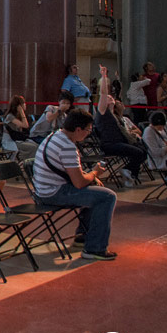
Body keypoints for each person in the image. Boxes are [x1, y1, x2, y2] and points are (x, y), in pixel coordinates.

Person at [32, 109, 118, 260]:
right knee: (107, 197)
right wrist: (95, 173)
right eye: (87, 130)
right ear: (78, 129)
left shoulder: (55, 136)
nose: (88, 134)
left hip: (42, 190)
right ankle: (94, 248)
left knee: (97, 192)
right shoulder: (67, 146)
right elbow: (79, 183)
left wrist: (90, 177)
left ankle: (83, 236)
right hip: (53, 193)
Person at [95, 66, 146, 188]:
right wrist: (104, 76)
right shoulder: (103, 112)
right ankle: (128, 171)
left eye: (111, 96)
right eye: (108, 98)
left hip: (119, 141)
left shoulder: (114, 114)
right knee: (138, 152)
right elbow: (102, 93)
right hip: (110, 144)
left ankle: (130, 172)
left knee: (143, 150)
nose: (110, 97)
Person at [3, 95, 37, 161]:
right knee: (33, 147)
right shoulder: (10, 117)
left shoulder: (17, 116)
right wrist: (22, 112)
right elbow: (25, 125)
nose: (25, 105)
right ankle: (25, 162)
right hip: (11, 141)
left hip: (18, 139)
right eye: (23, 103)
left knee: (36, 145)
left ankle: (28, 162)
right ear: (18, 106)